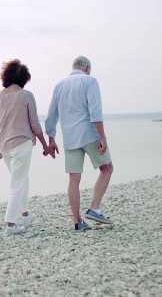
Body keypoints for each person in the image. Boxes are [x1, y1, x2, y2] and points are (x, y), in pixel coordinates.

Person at [45, 55, 114, 232]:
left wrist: (51, 139)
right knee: (107, 168)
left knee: (74, 178)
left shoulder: (59, 85)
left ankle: (78, 221)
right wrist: (103, 138)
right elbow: (95, 112)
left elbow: (52, 115)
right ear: (87, 68)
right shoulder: (89, 81)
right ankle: (94, 208)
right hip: (89, 134)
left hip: (69, 137)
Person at [0, 59, 50, 235]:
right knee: (17, 182)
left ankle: (25, 214)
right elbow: (35, 124)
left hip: (5, 145)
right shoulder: (26, 95)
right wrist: (45, 145)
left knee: (22, 178)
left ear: (6, 75)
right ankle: (10, 224)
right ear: (24, 78)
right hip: (22, 143)